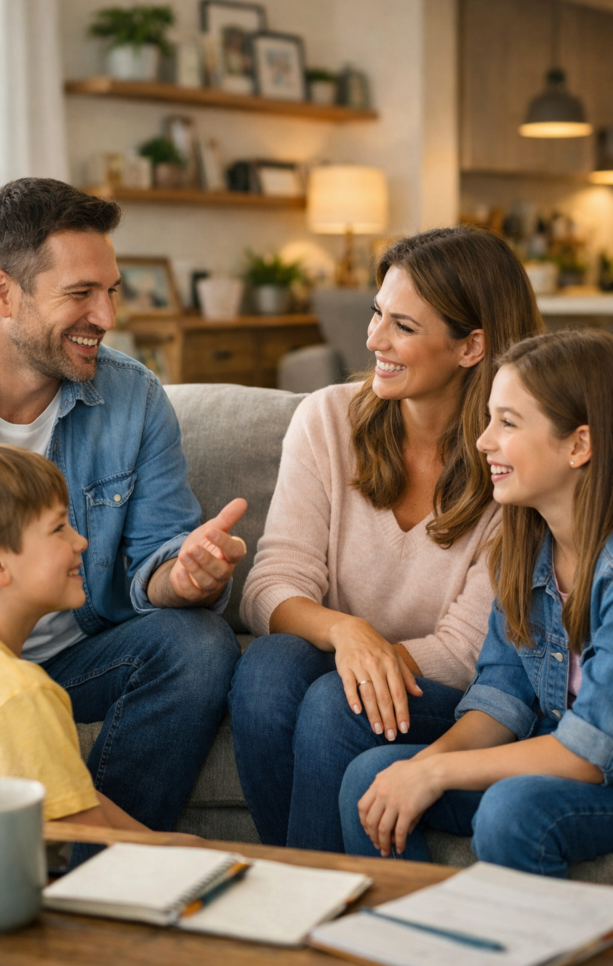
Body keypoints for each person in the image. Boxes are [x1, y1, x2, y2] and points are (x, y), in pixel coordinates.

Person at [0, 177, 245, 830]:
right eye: (80, 294)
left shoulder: (134, 397)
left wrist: (181, 575)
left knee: (197, 642)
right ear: (1, 292)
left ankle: (105, 864)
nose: (105, 317)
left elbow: (154, 555)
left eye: (111, 292)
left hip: (77, 656)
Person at [229, 227, 543, 851]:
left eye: (402, 325)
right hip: (344, 657)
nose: (373, 340)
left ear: (471, 346)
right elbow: (270, 586)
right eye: (377, 313)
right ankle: (294, 885)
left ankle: (307, 909)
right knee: (266, 669)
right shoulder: (326, 419)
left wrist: (364, 663)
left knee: (333, 705)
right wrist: (348, 634)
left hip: (453, 695)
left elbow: (466, 652)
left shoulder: (512, 454)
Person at [340, 329, 613, 878]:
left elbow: (588, 755)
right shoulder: (524, 549)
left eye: (507, 423)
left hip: (597, 773)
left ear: (579, 445)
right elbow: (500, 699)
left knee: (513, 811)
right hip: (555, 755)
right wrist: (419, 770)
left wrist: (436, 776)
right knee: (374, 779)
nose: (483, 441)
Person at [0, 443, 148, 831]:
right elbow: (86, 838)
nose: (80, 541)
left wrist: (168, 843)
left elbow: (69, 794)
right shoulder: (18, 694)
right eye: (59, 527)